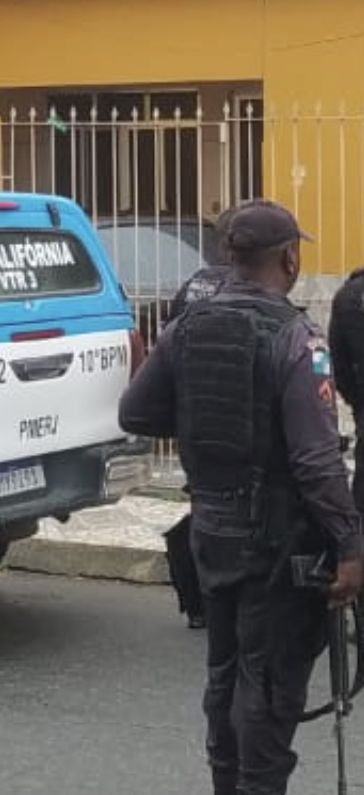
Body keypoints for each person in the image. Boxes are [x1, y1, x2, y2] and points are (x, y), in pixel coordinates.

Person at [119, 198, 363, 795]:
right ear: (289, 258)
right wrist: (350, 545)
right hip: (276, 538)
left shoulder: (187, 325)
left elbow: (136, 411)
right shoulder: (295, 337)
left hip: (211, 528)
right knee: (271, 683)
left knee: (224, 673)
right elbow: (316, 460)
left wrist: (205, 426)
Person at [161, 206, 241, 630]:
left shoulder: (193, 286)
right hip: (238, 422)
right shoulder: (249, 291)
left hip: (192, 419)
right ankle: (225, 600)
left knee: (203, 504)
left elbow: (167, 348)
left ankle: (200, 603)